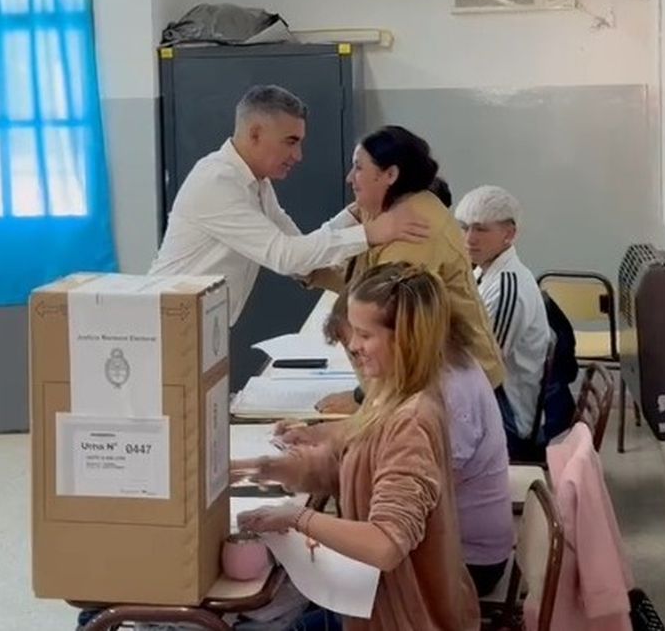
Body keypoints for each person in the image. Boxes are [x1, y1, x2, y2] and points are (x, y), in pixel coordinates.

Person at [234, 264, 481, 631]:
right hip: (376, 603)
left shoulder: (411, 421)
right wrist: (266, 468)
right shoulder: (390, 395)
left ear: (405, 339)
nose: (353, 345)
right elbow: (353, 468)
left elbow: (385, 544)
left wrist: (297, 518)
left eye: (365, 335)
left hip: (404, 618)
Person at [288, 282, 514, 596]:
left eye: (363, 339)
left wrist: (303, 502)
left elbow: (402, 509)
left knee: (302, 569)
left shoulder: (444, 397)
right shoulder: (433, 367)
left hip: (464, 563)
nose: (358, 354)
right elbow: (374, 431)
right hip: (443, 544)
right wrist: (318, 436)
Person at [148, 85, 429, 325]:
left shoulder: (258, 184)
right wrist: (371, 233)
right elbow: (286, 257)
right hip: (164, 323)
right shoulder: (218, 181)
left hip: (197, 324)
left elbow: (299, 248)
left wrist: (352, 215)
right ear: (255, 134)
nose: (298, 155)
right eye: (290, 142)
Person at [306, 125, 504, 388]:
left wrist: (362, 400)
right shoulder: (383, 210)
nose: (350, 178)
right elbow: (361, 280)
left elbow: (388, 325)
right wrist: (312, 271)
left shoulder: (415, 228)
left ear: (390, 174)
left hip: (456, 385)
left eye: (359, 168)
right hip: (430, 379)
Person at [453, 186, 553, 450]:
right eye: (464, 228)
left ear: (509, 234)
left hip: (508, 420)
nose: (469, 239)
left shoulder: (508, 287)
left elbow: (481, 370)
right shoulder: (483, 272)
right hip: (490, 400)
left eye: (480, 229)